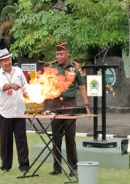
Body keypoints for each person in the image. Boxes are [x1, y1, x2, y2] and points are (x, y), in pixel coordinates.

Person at [46, 41, 90, 177]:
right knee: (56, 138)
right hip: (55, 105)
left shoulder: (75, 67)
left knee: (70, 138)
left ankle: (73, 167)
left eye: (61, 54)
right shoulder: (53, 66)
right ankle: (57, 167)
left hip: (70, 106)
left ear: (67, 53)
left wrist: (87, 106)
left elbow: (82, 87)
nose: (58, 56)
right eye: (57, 54)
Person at [0, 48, 30, 174]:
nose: (6, 63)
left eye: (8, 59)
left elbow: (25, 86)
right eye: (3, 61)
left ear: (11, 59)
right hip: (4, 112)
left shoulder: (19, 71)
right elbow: (2, 87)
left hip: (19, 111)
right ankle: (5, 166)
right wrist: (11, 85)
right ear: (0, 63)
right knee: (5, 141)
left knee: (21, 139)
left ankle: (24, 166)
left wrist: (27, 92)